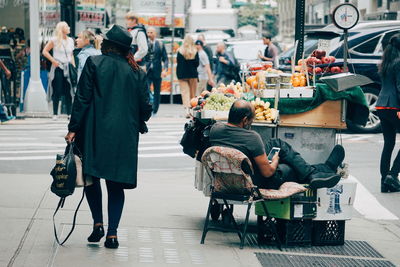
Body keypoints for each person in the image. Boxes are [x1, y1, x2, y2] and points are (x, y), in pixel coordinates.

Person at [65, 25, 152, 249]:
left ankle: (98, 223)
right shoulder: (137, 72)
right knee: (115, 185)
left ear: (109, 45)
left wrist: (73, 128)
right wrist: (137, 118)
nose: (101, 43)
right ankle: (112, 234)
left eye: (104, 41)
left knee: (91, 178)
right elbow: (146, 108)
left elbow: (82, 99)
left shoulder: (94, 63)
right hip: (125, 136)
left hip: (94, 131)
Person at [209, 100, 344, 190]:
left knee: (276, 143)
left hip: (225, 180)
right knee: (288, 167)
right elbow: (268, 173)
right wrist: (274, 161)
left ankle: (317, 171)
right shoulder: (251, 138)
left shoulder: (215, 129)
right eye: (251, 120)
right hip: (254, 182)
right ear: (245, 120)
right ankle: (318, 171)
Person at [376, 34, 400, 193]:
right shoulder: (399, 63)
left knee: (388, 143)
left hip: (381, 106)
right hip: (394, 107)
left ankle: (385, 181)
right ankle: (392, 174)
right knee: (389, 143)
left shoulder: (385, 62)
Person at [42, 21, 75, 120]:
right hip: (58, 67)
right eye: (67, 26)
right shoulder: (55, 40)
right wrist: (53, 61)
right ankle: (55, 113)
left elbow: (71, 55)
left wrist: (73, 66)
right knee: (57, 90)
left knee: (69, 90)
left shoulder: (71, 40)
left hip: (68, 67)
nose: (69, 28)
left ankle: (69, 113)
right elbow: (45, 51)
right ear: (62, 29)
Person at [145, 27, 168, 115]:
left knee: (157, 90)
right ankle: (148, 107)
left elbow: (165, 58)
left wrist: (165, 69)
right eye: (148, 32)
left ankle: (155, 109)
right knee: (146, 89)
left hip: (157, 71)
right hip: (147, 71)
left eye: (151, 32)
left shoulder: (160, 44)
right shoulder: (144, 44)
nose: (149, 34)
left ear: (155, 34)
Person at [176, 35, 199, 117]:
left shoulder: (180, 51)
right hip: (193, 74)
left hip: (182, 74)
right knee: (192, 93)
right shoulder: (195, 51)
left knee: (185, 93)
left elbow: (178, 62)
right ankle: (192, 111)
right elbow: (197, 64)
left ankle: (187, 110)